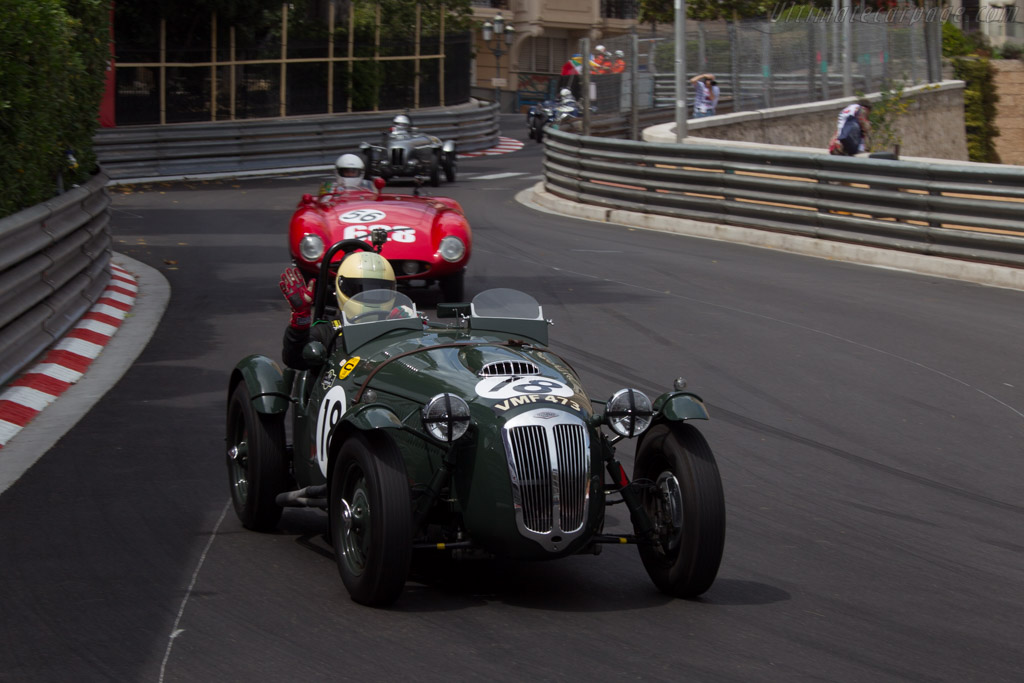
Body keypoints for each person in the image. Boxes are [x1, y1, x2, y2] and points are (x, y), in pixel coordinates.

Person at [280, 251, 398, 370]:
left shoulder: (398, 330)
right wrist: (301, 320)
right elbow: (294, 359)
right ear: (343, 287)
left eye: (380, 292)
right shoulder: (327, 332)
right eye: (360, 290)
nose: (372, 297)